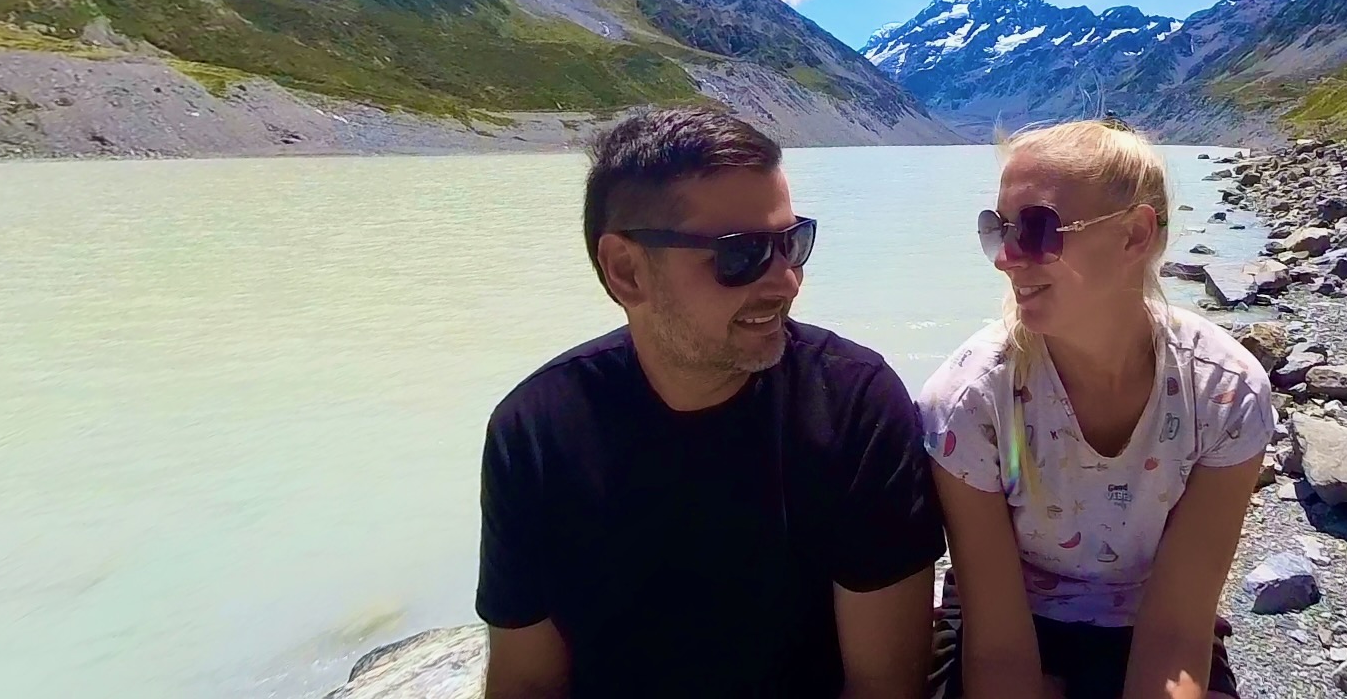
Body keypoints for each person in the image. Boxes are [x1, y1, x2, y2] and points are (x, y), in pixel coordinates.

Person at [476, 108, 945, 699]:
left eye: (792, 243)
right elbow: (526, 681)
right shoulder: (536, 431)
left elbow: (885, 687)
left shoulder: (855, 406)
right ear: (626, 271)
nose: (786, 282)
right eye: (742, 254)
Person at [920, 121, 1276, 699]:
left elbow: (1179, 625)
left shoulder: (1225, 393)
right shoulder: (971, 399)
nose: (1006, 259)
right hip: (1010, 617)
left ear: (1135, 234)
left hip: (1150, 614)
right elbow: (998, 644)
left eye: (1036, 229)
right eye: (998, 230)